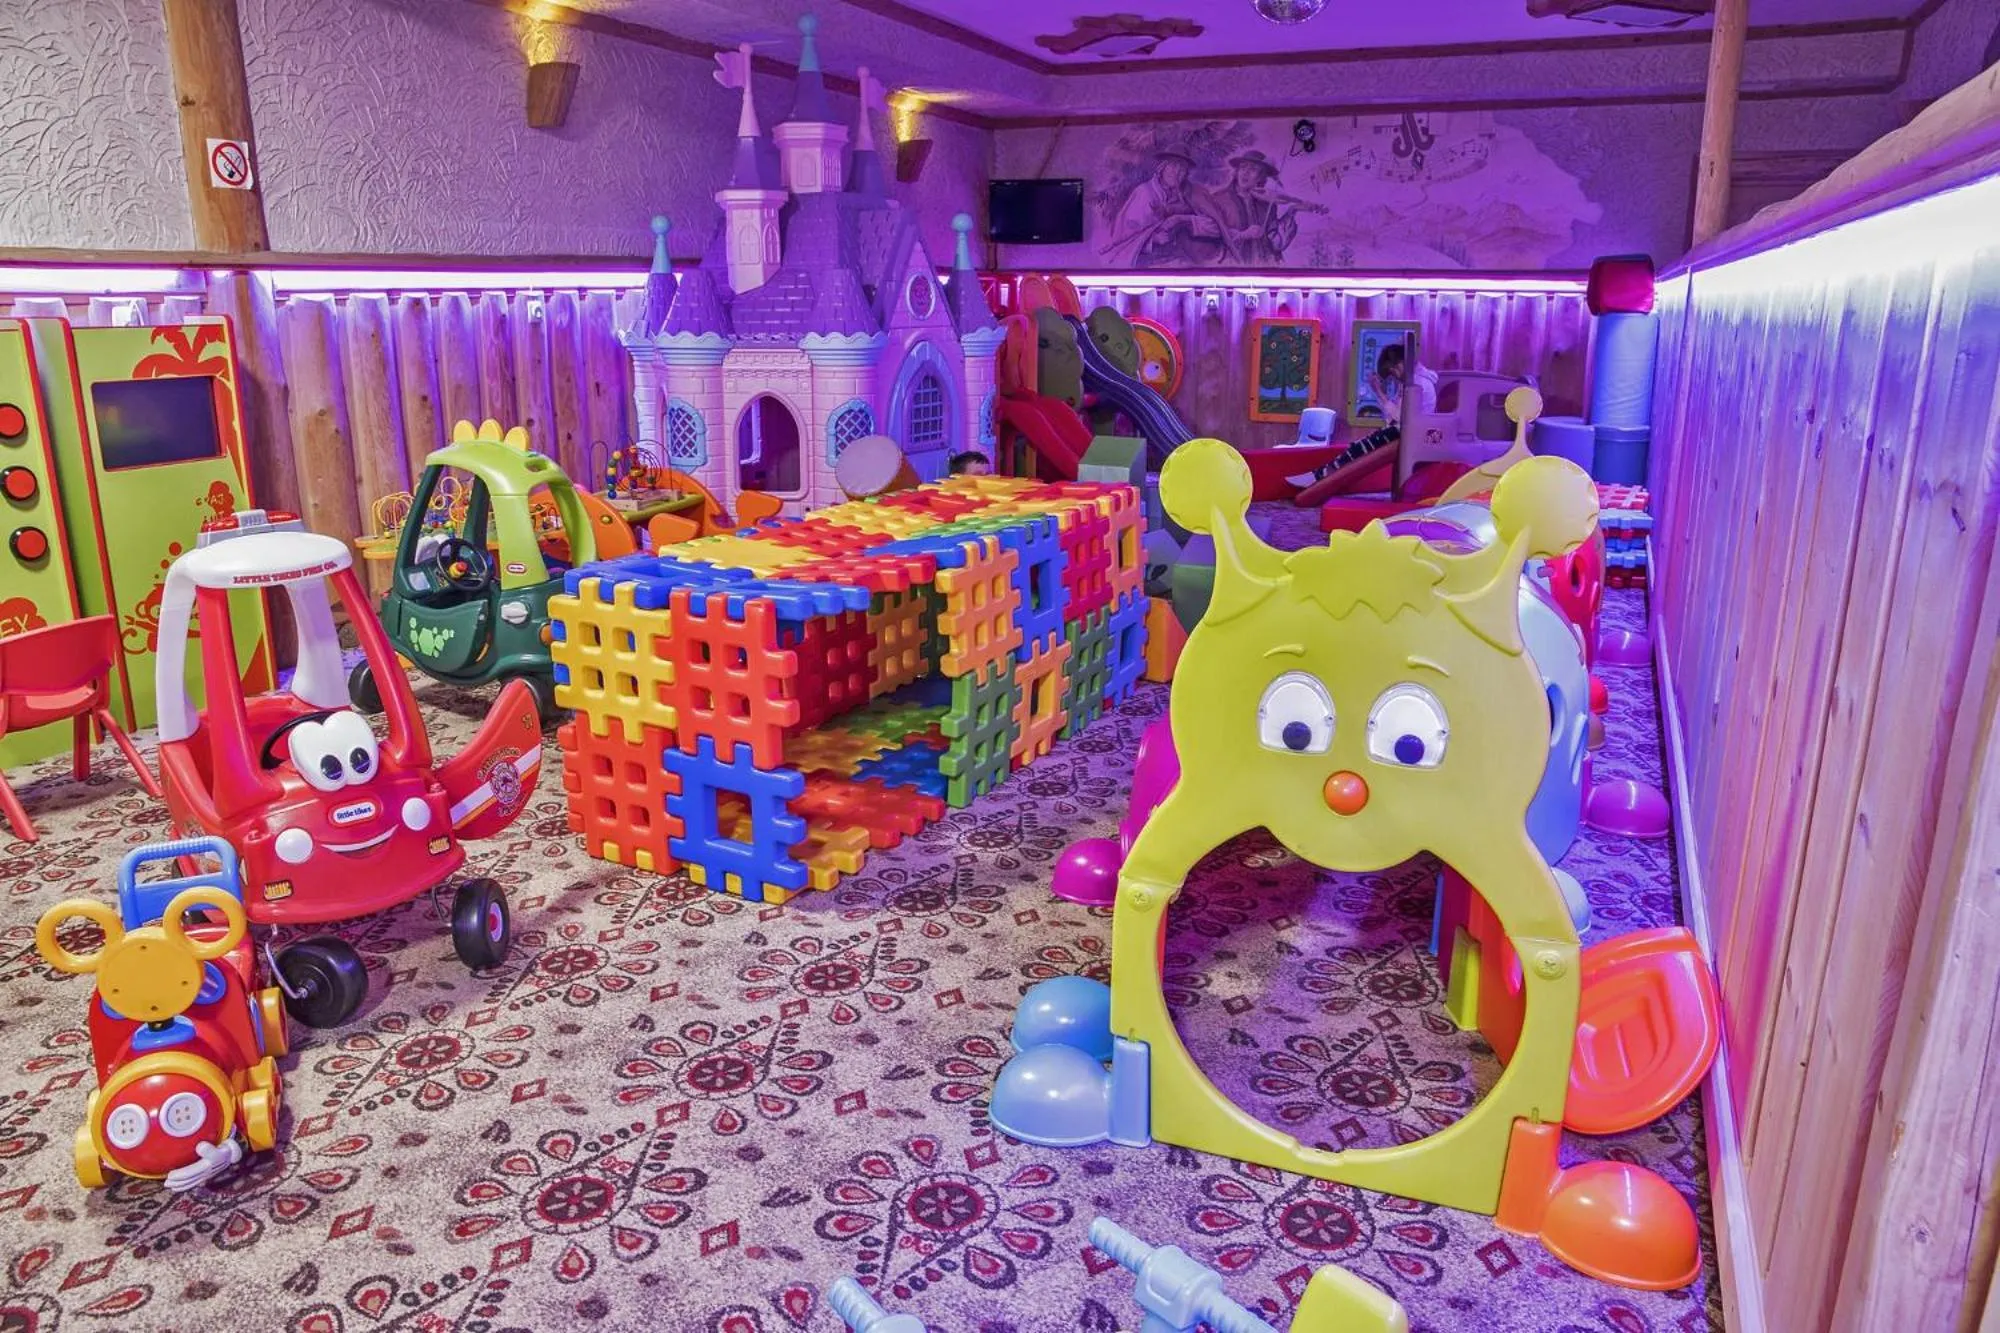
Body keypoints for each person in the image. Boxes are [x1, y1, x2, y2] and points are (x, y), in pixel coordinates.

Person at [1101, 149, 1225, 267]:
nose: (1176, 172)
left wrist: (1181, 219)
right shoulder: (1145, 194)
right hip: (1141, 261)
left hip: (1174, 261)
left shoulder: (1184, 197)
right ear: (1162, 168)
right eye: (1173, 166)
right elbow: (1125, 235)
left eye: (1182, 169)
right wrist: (1152, 239)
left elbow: (1214, 227)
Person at [1204, 151, 1307, 265]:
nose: (1245, 173)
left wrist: (1291, 212)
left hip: (1264, 268)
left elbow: (1276, 244)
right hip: (1232, 268)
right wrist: (1243, 234)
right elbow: (1211, 234)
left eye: (1253, 169)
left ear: (1261, 177)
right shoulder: (1219, 199)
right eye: (1243, 167)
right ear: (1237, 172)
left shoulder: (1267, 204)